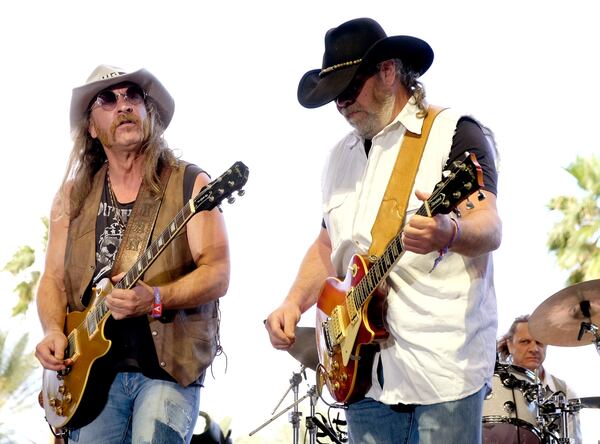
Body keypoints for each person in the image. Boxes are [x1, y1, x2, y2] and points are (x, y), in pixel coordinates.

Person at [264, 17, 502, 444]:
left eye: (348, 90)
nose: (340, 105)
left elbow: (489, 226)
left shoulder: (452, 133)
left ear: (388, 72)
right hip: (364, 375)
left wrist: (448, 232)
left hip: (442, 371)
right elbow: (328, 243)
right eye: (333, 96)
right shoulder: (340, 157)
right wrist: (293, 303)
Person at [34, 64, 230, 443]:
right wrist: (53, 331)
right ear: (92, 127)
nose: (123, 105)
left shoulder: (190, 183)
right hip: (89, 376)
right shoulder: (73, 196)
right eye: (108, 99)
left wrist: (156, 298)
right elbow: (53, 279)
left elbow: (218, 272)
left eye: (132, 96)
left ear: (148, 113)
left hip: (167, 366)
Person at [497, 315, 583, 443]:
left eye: (539, 342)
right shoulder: (492, 385)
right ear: (509, 344)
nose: (534, 349)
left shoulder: (564, 391)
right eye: (525, 341)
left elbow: (574, 440)